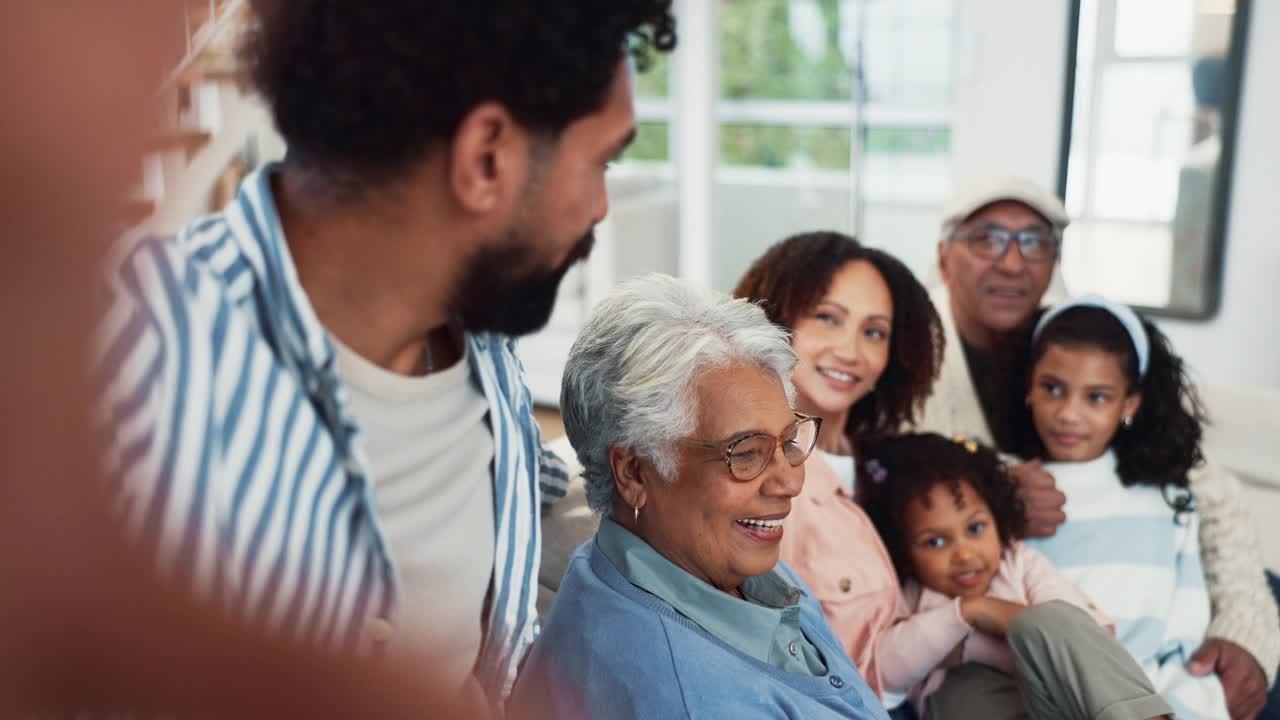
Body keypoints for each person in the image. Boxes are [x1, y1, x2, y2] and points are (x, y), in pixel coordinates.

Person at [93, 1, 677, 709]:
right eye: (601, 163)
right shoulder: (122, 355)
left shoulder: (484, 351)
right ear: (487, 157)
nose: (601, 207)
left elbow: (533, 483)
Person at [916, 176, 1280, 714]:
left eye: (1035, 242)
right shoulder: (910, 363)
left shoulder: (1080, 334)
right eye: (988, 238)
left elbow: (1206, 493)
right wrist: (992, 493)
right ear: (945, 257)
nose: (1013, 262)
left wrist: (1245, 632)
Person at [512, 274, 888, 719]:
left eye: (789, 442)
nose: (789, 482)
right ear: (634, 471)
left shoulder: (714, 562)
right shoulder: (690, 699)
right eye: (745, 454)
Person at [733, 231, 942, 704]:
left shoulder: (885, 468)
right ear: (775, 321)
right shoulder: (754, 476)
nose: (850, 350)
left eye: (874, 332)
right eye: (828, 318)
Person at [859, 433, 1173, 720]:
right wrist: (971, 611)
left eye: (976, 528)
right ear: (903, 551)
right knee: (962, 690)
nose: (965, 554)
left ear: (998, 517)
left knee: (1049, 619)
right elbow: (883, 673)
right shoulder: (909, 593)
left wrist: (973, 641)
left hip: (1061, 697)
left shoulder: (1019, 561)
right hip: (978, 703)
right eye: (935, 542)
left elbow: (1087, 633)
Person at [1020, 296, 1229, 717]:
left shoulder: (1170, 504)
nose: (1069, 414)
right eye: (1053, 388)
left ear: (1129, 405)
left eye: (1096, 397)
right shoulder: (1011, 490)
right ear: (1030, 386)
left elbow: (1183, 645)